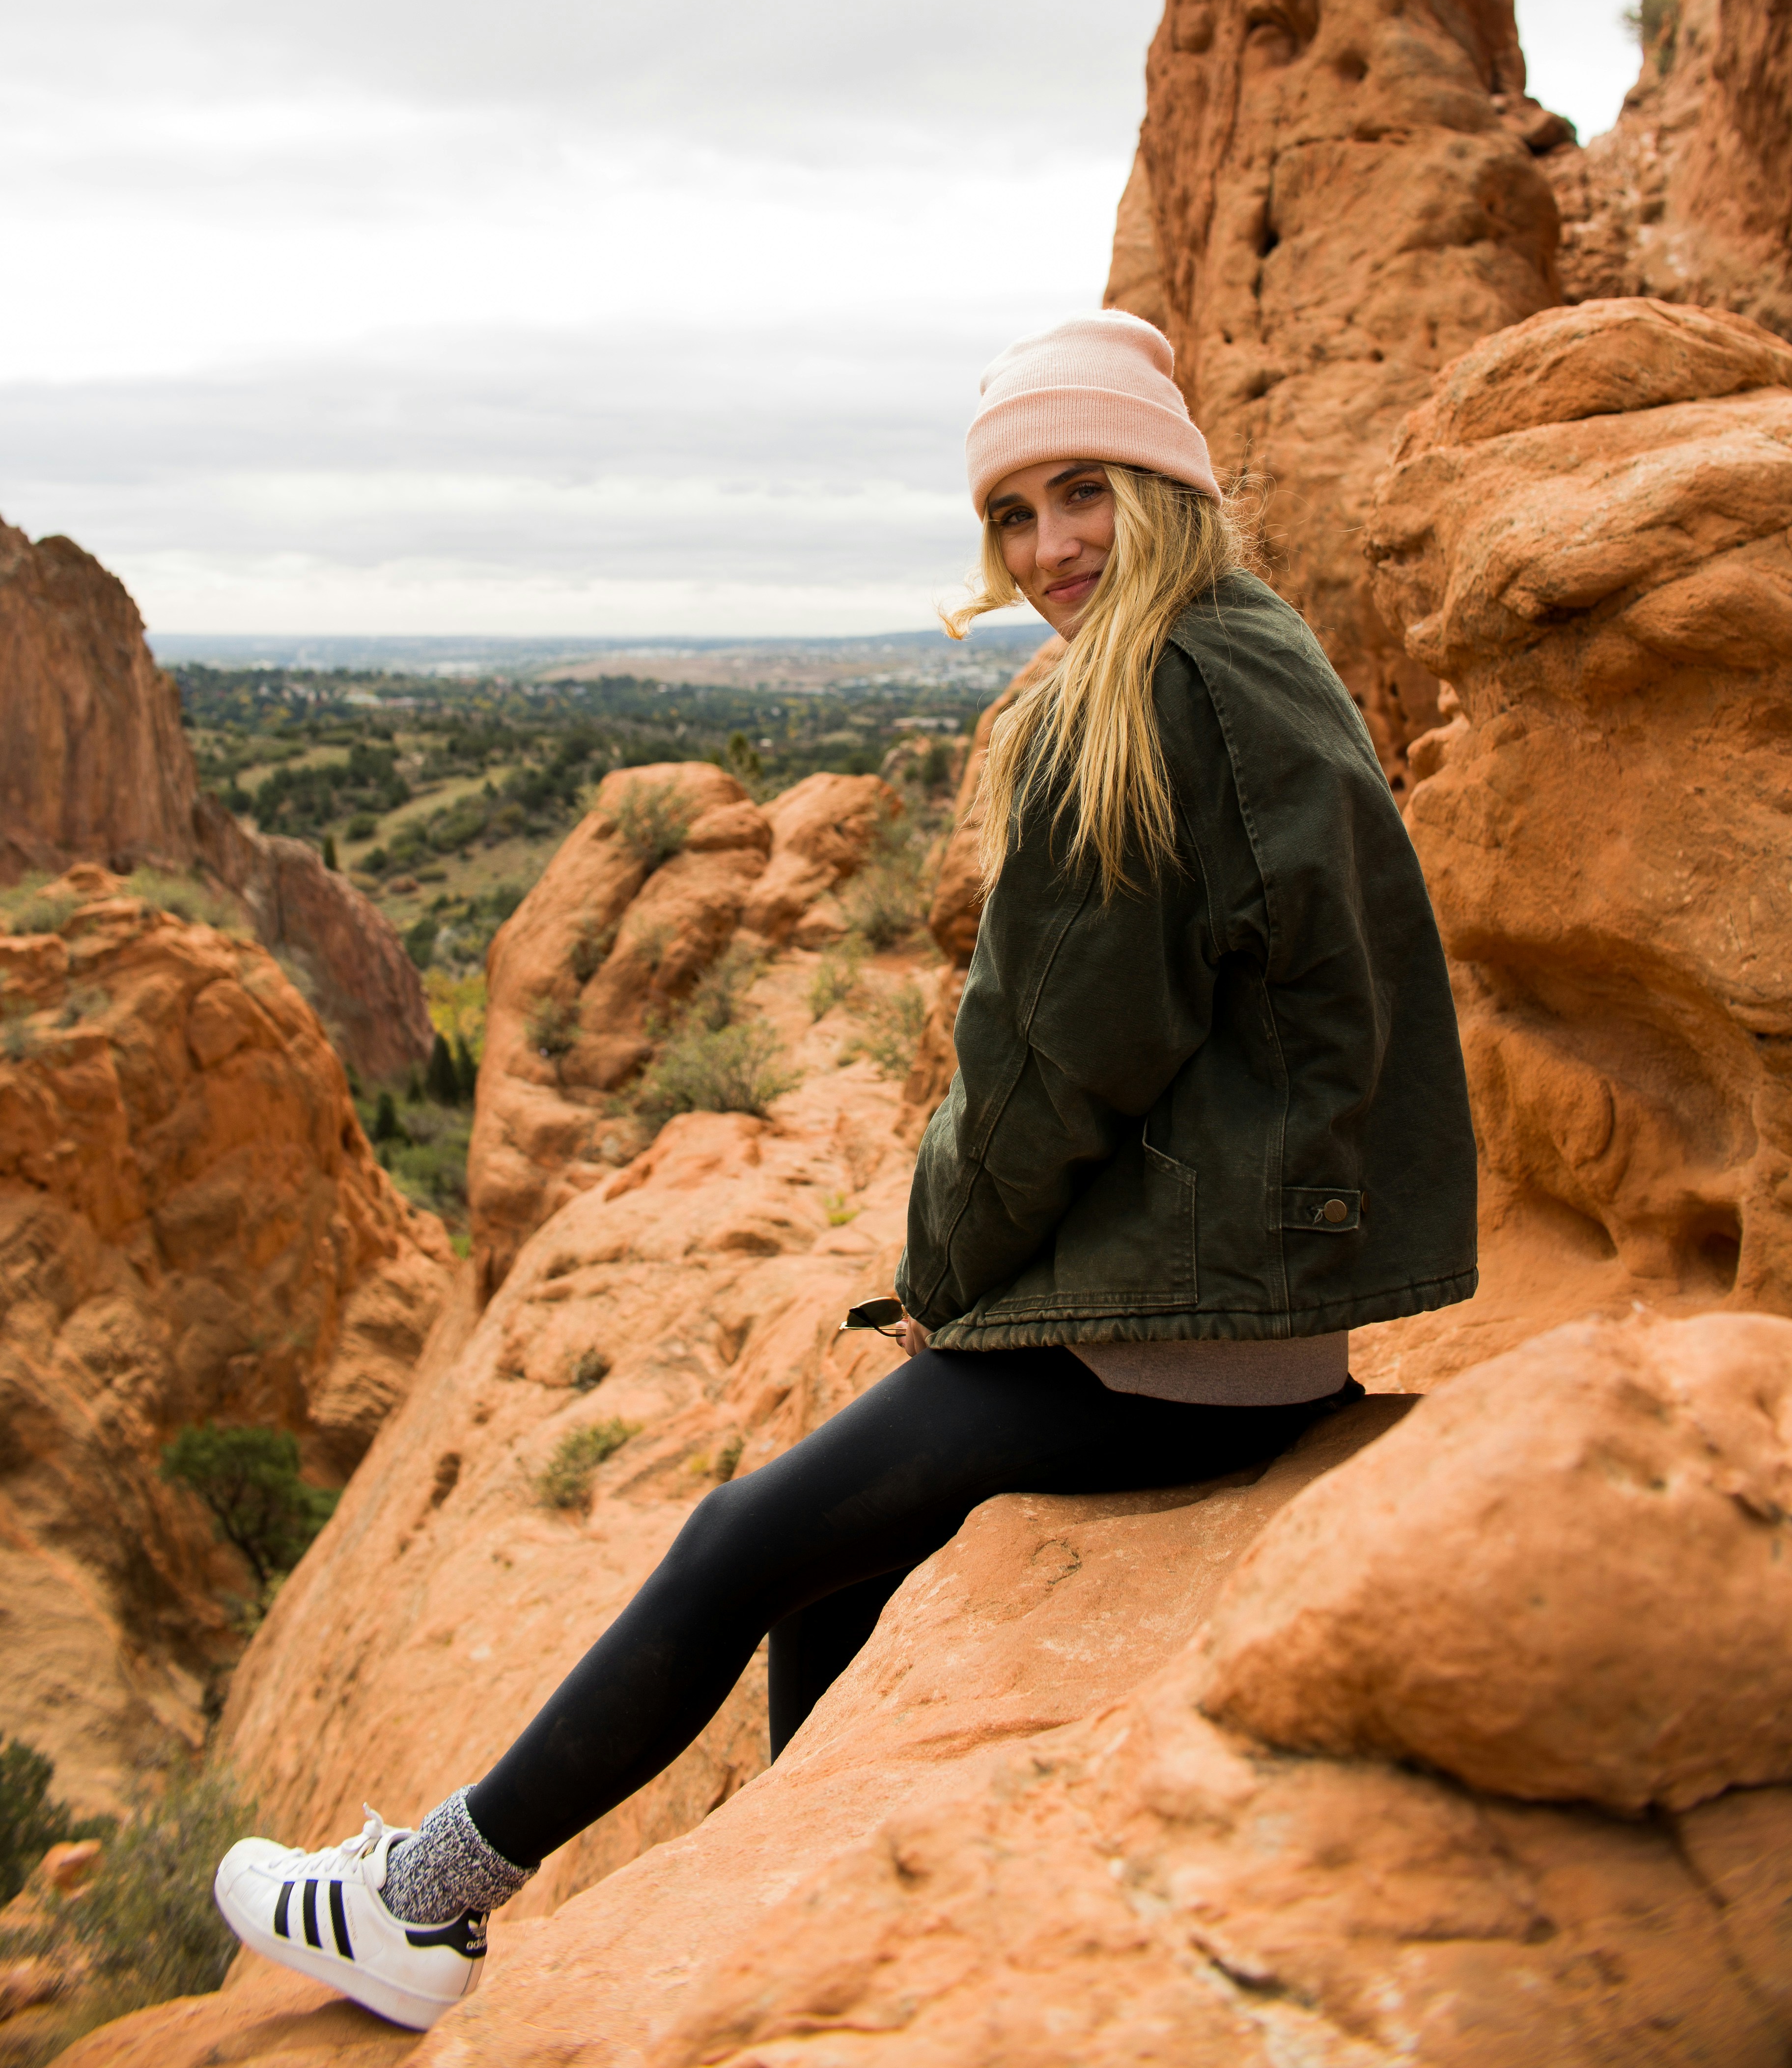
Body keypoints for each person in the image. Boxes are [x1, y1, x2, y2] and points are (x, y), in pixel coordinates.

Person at [214, 309, 1478, 2030]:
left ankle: (430, 1903)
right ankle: (805, 1925)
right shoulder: (1258, 646)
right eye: (1015, 515)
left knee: (739, 1537)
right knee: (827, 1573)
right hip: (1269, 1300)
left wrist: (947, 1292)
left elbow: (1045, 1069)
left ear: (1168, 481)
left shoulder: (1138, 703)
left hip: (1193, 1339)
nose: (1049, 550)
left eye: (1084, 491)